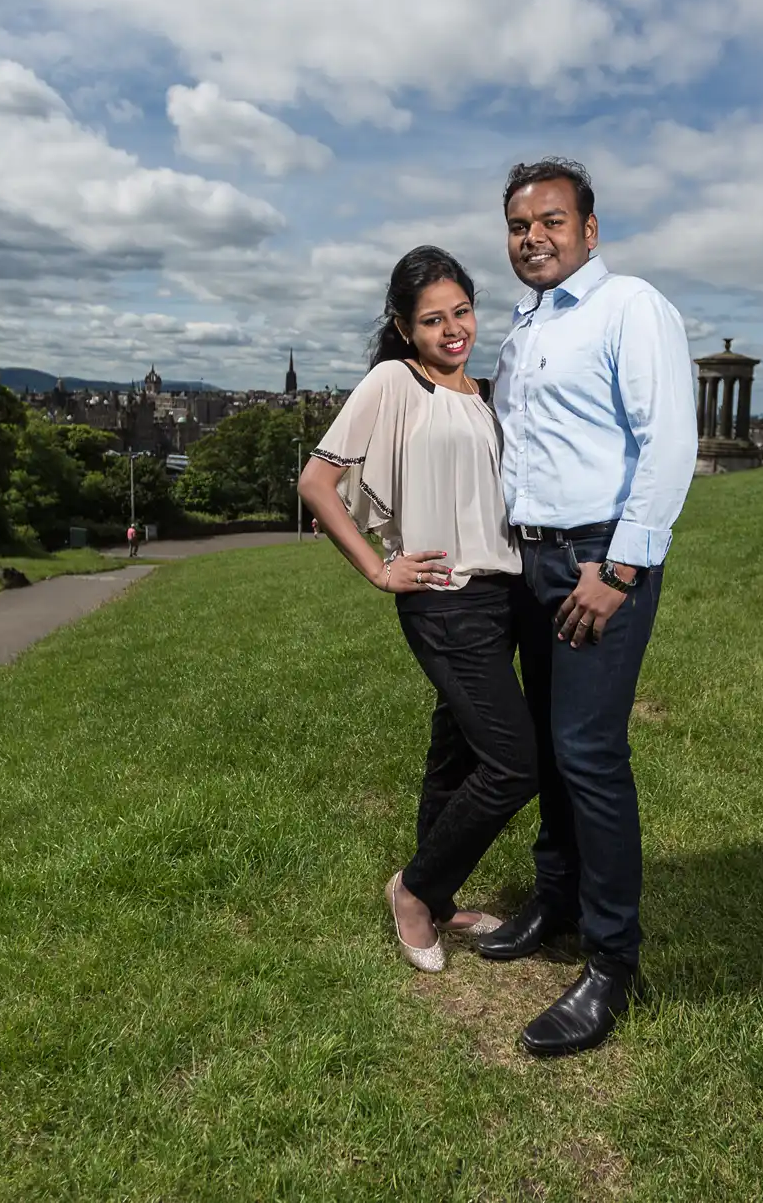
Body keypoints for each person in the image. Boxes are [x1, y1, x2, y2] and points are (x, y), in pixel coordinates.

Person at [475, 158, 696, 1058]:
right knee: (547, 748)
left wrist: (621, 566)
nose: (534, 237)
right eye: (520, 226)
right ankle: (556, 897)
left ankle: (613, 962)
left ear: (590, 229)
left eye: (552, 221)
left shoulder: (628, 307)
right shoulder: (524, 331)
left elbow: (668, 441)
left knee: (589, 754)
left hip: (595, 560)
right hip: (529, 559)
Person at [297, 246, 534, 977]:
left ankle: (442, 894)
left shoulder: (486, 391)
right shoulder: (394, 382)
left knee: (456, 751)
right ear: (404, 327)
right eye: (432, 319)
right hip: (442, 597)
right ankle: (416, 889)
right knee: (515, 762)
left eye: (461, 311)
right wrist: (378, 567)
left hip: (505, 596)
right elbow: (316, 482)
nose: (452, 328)